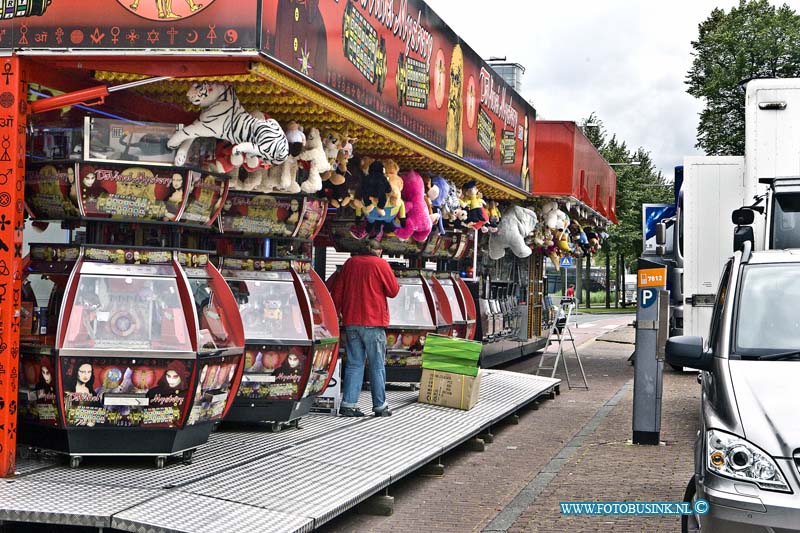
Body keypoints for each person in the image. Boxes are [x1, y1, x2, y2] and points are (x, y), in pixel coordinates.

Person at [329, 239, 399, 417]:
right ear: (378, 251)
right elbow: (393, 290)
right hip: (374, 322)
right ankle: (379, 406)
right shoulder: (380, 264)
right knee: (376, 365)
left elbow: (337, 292)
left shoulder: (350, 264)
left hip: (351, 321)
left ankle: (348, 404)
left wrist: (336, 315)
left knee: (354, 363)